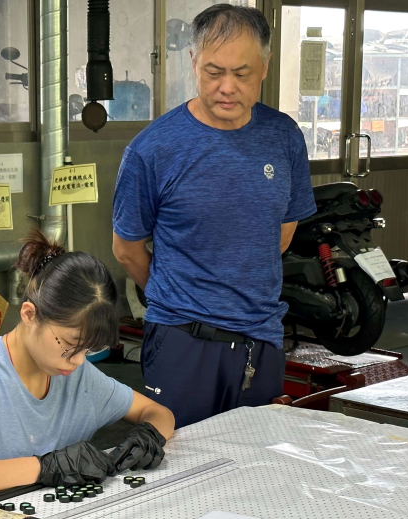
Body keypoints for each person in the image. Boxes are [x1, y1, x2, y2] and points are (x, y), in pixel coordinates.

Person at [111, 4, 316, 429]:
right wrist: (177, 297)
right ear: (192, 62)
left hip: (261, 340)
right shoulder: (154, 149)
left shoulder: (284, 137)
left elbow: (280, 233)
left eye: (241, 74)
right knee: (178, 470)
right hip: (182, 341)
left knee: (257, 467)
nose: (227, 87)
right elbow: (127, 249)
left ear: (264, 66)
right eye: (212, 71)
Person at [0, 231, 175, 505]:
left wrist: (149, 434)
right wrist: (45, 467)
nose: (80, 359)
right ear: (29, 315)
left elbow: (157, 412)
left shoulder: (78, 378)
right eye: (71, 343)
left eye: (89, 349)